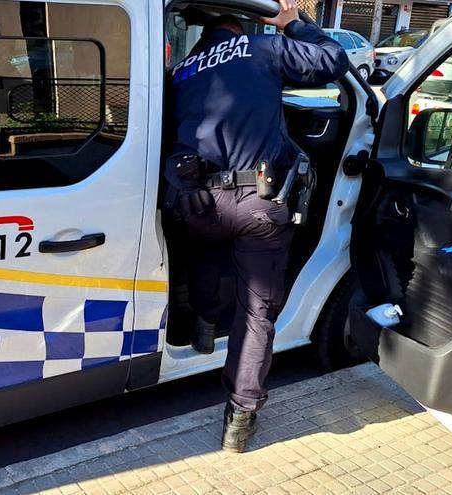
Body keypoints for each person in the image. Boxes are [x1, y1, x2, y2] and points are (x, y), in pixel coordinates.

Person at [164, 0, 348, 452]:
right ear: (241, 22)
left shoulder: (182, 71)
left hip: (198, 199)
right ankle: (240, 417)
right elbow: (333, 60)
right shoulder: (262, 48)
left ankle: (205, 328)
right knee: (256, 311)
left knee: (207, 251)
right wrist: (292, 23)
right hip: (256, 203)